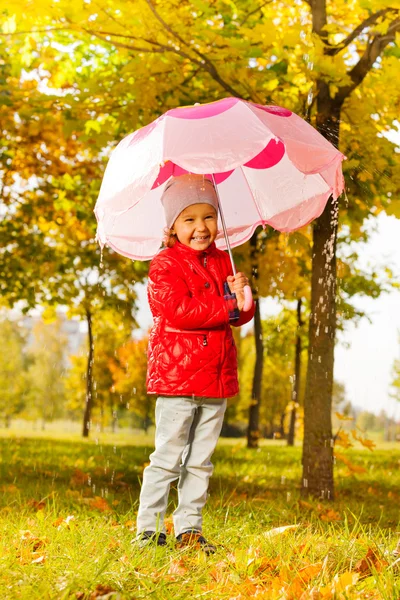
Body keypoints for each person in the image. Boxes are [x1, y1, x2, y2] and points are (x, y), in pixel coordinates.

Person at [136, 173, 255, 553]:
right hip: (178, 376)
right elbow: (179, 312)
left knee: (201, 460)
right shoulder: (164, 265)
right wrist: (227, 305)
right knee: (168, 457)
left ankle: (189, 528)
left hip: (216, 376)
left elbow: (235, 317)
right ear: (172, 225)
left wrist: (243, 298)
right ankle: (149, 528)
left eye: (208, 217)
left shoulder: (224, 262)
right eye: (189, 219)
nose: (201, 227)